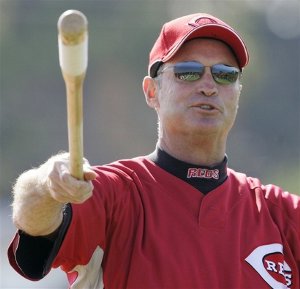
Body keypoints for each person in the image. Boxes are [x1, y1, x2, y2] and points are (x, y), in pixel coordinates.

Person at [8, 12, 299, 289]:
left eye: (225, 74)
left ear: (238, 92)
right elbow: (32, 216)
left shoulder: (281, 215)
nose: (209, 86)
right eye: (188, 72)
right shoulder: (112, 193)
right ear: (151, 92)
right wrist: (48, 184)